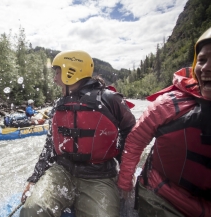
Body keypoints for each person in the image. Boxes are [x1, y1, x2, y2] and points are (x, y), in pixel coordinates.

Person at [19, 50, 136, 217]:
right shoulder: (59, 104)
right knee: (31, 211)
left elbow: (131, 134)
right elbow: (50, 145)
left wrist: (126, 174)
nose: (54, 78)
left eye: (57, 72)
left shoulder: (110, 99)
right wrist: (34, 178)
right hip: (61, 171)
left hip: (100, 176)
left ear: (70, 73)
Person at [117, 27, 211, 217]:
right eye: (202, 60)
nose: (207, 67)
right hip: (162, 197)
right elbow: (135, 140)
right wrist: (124, 184)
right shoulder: (168, 104)